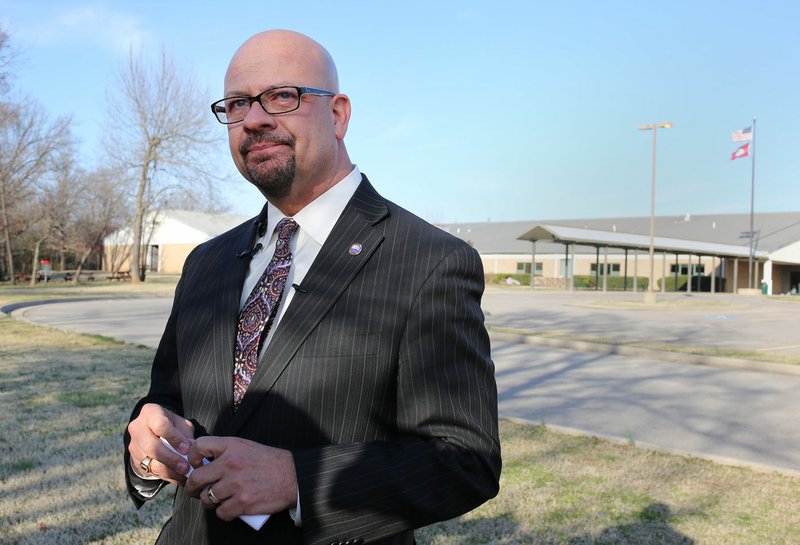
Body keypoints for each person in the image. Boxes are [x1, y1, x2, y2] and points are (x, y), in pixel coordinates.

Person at [124, 29, 501, 545]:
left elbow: (465, 458)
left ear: (339, 114)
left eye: (282, 96)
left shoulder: (428, 261)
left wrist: (298, 480)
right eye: (236, 104)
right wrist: (147, 445)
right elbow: (165, 401)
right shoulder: (205, 263)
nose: (254, 119)